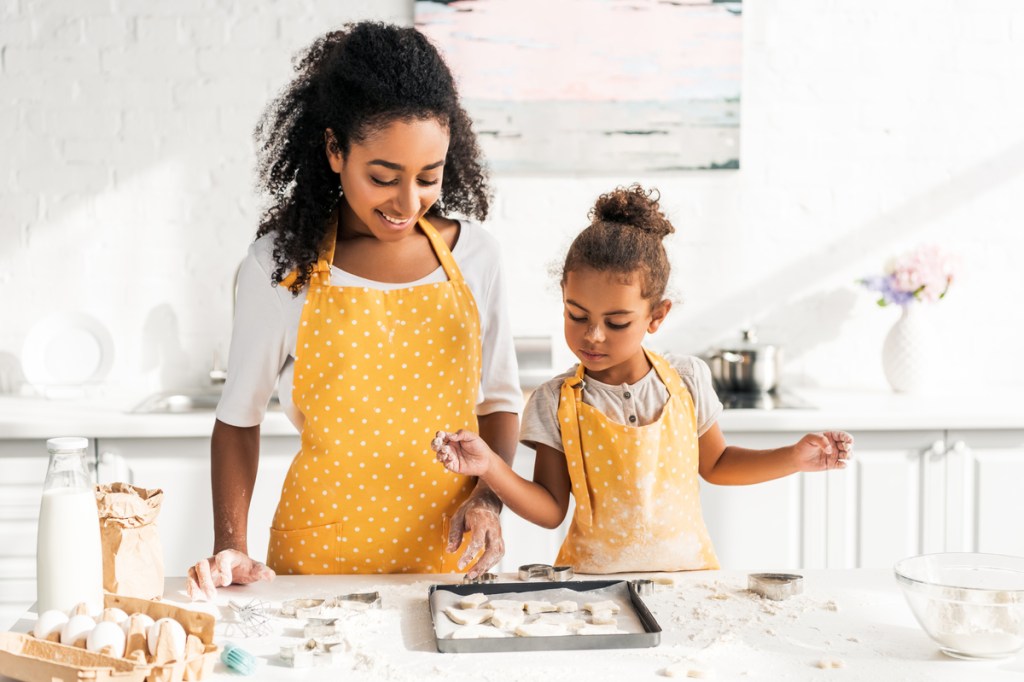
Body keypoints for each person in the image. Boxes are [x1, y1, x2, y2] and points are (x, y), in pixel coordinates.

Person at [186, 22, 522, 599]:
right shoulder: (281, 265)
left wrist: (487, 499)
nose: (407, 203)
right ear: (335, 150)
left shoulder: (478, 258)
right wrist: (231, 544)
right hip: (318, 559)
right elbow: (239, 419)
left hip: (445, 557)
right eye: (383, 177)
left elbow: (498, 404)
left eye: (428, 178)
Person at [433, 184, 854, 574]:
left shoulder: (687, 380)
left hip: (690, 583)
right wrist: (489, 465)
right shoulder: (554, 401)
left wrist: (794, 457)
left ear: (657, 316)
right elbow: (549, 509)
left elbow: (719, 464)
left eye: (616, 322)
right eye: (576, 315)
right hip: (594, 590)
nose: (592, 335)